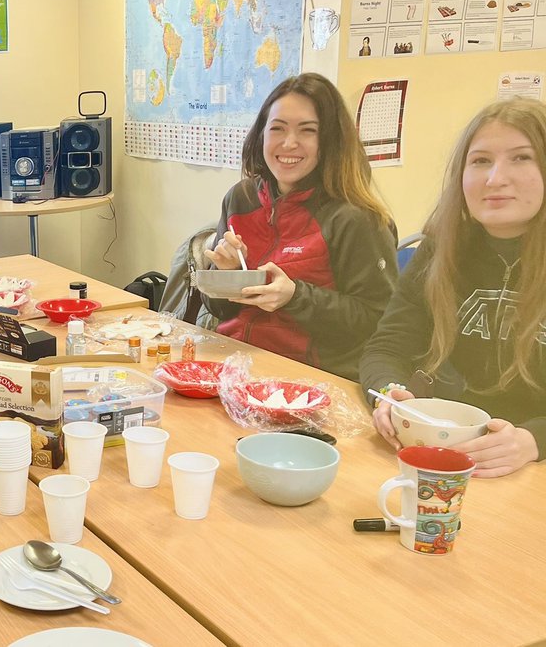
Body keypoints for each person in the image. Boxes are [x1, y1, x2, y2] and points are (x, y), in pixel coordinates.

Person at [362, 98, 546, 477]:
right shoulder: (441, 246)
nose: (495, 178)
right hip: (446, 453)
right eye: (480, 161)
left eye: (521, 158)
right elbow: (386, 347)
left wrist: (534, 441)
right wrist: (390, 393)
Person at [203, 72, 398, 380]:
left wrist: (296, 297)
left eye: (307, 131)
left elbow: (378, 323)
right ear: (261, 135)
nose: (289, 143)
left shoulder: (355, 218)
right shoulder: (240, 198)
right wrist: (223, 278)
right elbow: (220, 311)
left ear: (330, 141)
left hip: (308, 381)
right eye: (277, 129)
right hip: (234, 366)